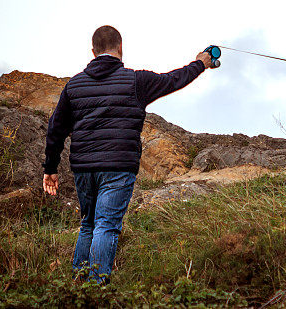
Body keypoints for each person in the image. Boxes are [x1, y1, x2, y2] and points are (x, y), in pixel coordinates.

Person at [42, 25, 216, 283]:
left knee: (88, 224)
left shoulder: (74, 85)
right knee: (106, 225)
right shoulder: (137, 81)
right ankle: (96, 289)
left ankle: (76, 287)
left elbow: (56, 129)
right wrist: (200, 63)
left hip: (83, 168)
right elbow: (174, 79)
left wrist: (50, 169)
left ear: (93, 52)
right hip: (118, 166)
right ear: (120, 48)